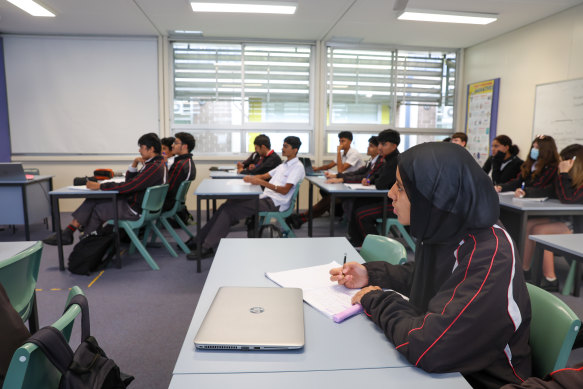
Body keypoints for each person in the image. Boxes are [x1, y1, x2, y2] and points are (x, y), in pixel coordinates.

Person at [330, 142, 531, 388]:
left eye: (401, 187)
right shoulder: (447, 225)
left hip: (480, 379)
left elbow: (430, 347)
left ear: (436, 194)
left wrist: (377, 299)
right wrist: (371, 274)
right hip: (442, 369)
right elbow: (429, 277)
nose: (391, 193)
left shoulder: (491, 254)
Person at [186, 136, 305, 259]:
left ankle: (207, 247)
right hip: (266, 197)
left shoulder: (297, 167)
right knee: (227, 204)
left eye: (286, 146)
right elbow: (264, 175)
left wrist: (261, 183)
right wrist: (252, 178)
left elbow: (285, 190)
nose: (282, 148)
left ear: (295, 150)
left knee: (229, 211)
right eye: (283, 145)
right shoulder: (284, 165)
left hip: (275, 203)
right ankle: (199, 239)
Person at [43, 133, 167, 245]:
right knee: (95, 199)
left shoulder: (154, 167)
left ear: (151, 149)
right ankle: (70, 232)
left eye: (142, 147)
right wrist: (134, 164)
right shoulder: (154, 164)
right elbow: (131, 182)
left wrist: (100, 186)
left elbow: (129, 186)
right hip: (139, 205)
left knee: (98, 208)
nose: (139, 150)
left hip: (135, 209)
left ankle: (87, 243)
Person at [520, 145, 583, 292]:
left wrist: (563, 174)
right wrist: (525, 192)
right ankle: (525, 269)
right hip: (567, 221)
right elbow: (549, 191)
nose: (561, 164)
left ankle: (551, 279)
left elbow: (568, 198)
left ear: (573, 161)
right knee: (529, 224)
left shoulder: (568, 176)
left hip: (579, 226)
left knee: (540, 231)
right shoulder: (567, 177)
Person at [288, 136, 382, 228]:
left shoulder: (359, 155)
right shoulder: (371, 161)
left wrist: (340, 177)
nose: (340, 144)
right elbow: (355, 172)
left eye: (371, 146)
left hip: (363, 192)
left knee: (332, 198)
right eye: (339, 141)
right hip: (353, 186)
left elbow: (348, 172)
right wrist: (328, 172)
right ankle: (303, 217)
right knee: (327, 194)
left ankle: (303, 217)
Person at [346, 129, 400, 247]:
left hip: (395, 204)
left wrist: (374, 180)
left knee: (362, 214)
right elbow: (377, 177)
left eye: (383, 144)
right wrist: (371, 180)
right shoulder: (387, 159)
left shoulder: (395, 161)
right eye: (379, 143)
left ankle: (376, 246)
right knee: (358, 202)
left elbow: (381, 183)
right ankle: (357, 240)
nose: (380, 147)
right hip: (387, 198)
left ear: (394, 146)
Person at [495, 135, 559, 198]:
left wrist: (525, 192)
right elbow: (518, 181)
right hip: (526, 199)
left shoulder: (552, 167)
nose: (533, 150)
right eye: (533, 147)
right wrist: (502, 187)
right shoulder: (531, 164)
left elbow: (540, 187)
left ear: (546, 150)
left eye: (537, 148)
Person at [163, 132, 196, 211]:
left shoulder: (180, 165)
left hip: (167, 203)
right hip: (177, 202)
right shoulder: (187, 162)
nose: (172, 145)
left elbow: (168, 189)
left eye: (176, 143)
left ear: (184, 146)